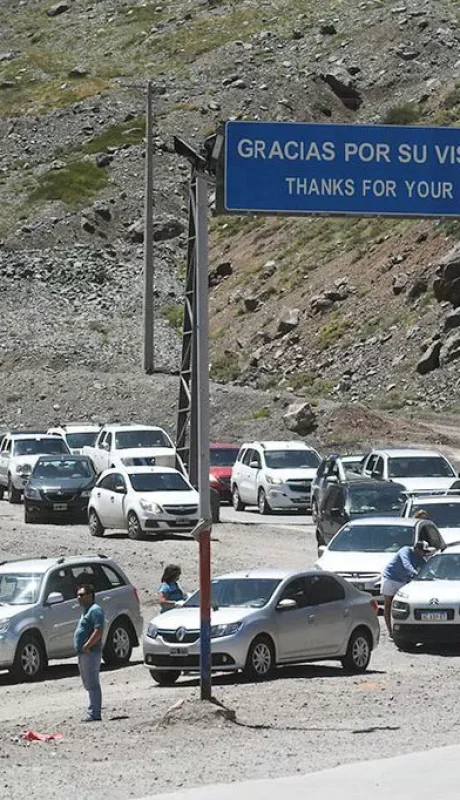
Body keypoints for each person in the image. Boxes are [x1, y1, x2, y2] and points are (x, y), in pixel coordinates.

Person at [381, 540, 431, 637]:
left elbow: (427, 568)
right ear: (416, 549)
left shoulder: (420, 558)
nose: (424, 554)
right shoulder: (405, 551)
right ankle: (390, 631)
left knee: (403, 605)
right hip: (390, 578)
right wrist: (417, 574)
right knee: (388, 604)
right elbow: (406, 564)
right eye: (423, 551)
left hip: (403, 580)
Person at [74, 583, 105, 722]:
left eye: (81, 595)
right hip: (84, 653)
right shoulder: (86, 611)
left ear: (90, 595)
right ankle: (93, 711)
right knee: (88, 683)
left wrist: (87, 645)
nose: (78, 597)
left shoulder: (95, 610)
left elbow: (99, 630)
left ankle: (95, 713)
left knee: (93, 683)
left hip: (91, 652)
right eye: (78, 595)